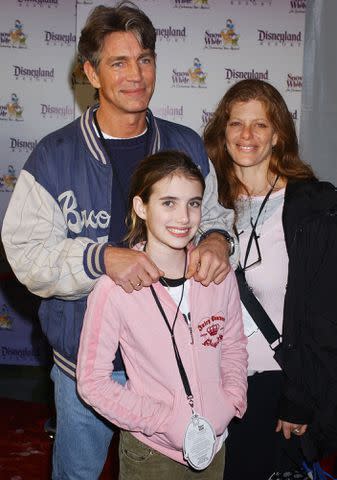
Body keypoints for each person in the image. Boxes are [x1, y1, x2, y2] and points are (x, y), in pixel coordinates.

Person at [1, 2, 237, 479]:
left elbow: (216, 216)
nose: (136, 74)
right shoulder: (53, 156)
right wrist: (100, 258)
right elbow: (25, 254)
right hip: (86, 370)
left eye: (144, 59)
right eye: (118, 62)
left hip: (173, 369)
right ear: (90, 71)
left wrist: (216, 239)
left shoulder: (186, 144)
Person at [76, 150, 248, 480]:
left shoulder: (217, 275)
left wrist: (230, 402)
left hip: (214, 442)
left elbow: (234, 346)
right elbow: (92, 382)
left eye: (193, 203)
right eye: (168, 203)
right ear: (142, 207)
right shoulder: (114, 289)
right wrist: (163, 421)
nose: (184, 217)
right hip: (151, 451)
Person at [203, 78, 337, 479]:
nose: (247, 135)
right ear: (221, 134)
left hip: (277, 386)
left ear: (277, 134)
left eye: (259, 125)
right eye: (236, 124)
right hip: (214, 386)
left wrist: (299, 398)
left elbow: (325, 314)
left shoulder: (313, 207)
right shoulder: (208, 205)